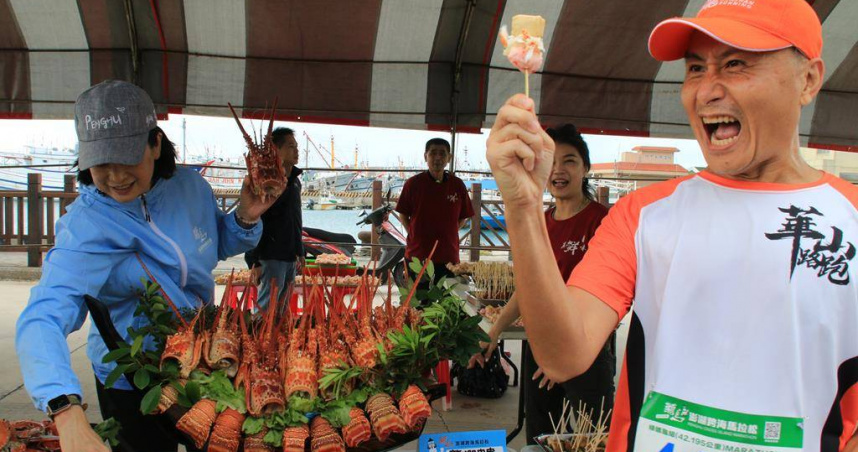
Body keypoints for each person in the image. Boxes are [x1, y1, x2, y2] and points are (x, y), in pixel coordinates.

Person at [486, 1, 858, 451]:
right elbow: (564, 355)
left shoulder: (850, 218)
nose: (707, 91)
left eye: (736, 64)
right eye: (696, 68)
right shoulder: (643, 214)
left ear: (809, 80)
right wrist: (523, 206)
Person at [15, 80, 280, 452]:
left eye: (127, 158)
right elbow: (44, 314)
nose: (116, 176)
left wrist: (247, 217)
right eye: (101, 162)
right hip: (132, 375)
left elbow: (215, 244)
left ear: (156, 144)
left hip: (201, 360)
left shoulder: (190, 186)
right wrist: (64, 408)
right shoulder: (86, 224)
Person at [471, 124, 614, 443]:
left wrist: (564, 355)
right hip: (541, 348)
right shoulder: (541, 223)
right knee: (539, 436)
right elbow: (527, 289)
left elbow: (608, 297)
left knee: (593, 440)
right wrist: (493, 333)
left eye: (570, 161)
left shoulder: (602, 221)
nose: (558, 170)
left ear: (586, 168)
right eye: (551, 162)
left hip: (589, 349)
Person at [395, 138, 474, 287]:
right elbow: (403, 214)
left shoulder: (457, 185)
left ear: (449, 158)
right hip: (418, 256)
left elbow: (464, 216)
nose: (438, 157)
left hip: (448, 257)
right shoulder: (413, 184)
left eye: (442, 153)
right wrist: (412, 233)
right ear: (425, 156)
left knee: (449, 299)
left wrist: (450, 231)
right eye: (433, 153)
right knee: (418, 299)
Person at [244, 127, 303, 310]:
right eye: (291, 146)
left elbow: (296, 218)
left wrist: (300, 251)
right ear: (276, 150)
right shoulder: (265, 182)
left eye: (296, 146)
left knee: (283, 307)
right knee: (266, 307)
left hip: (290, 255)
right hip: (270, 255)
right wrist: (254, 261)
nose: (296, 151)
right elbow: (253, 218)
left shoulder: (295, 181)